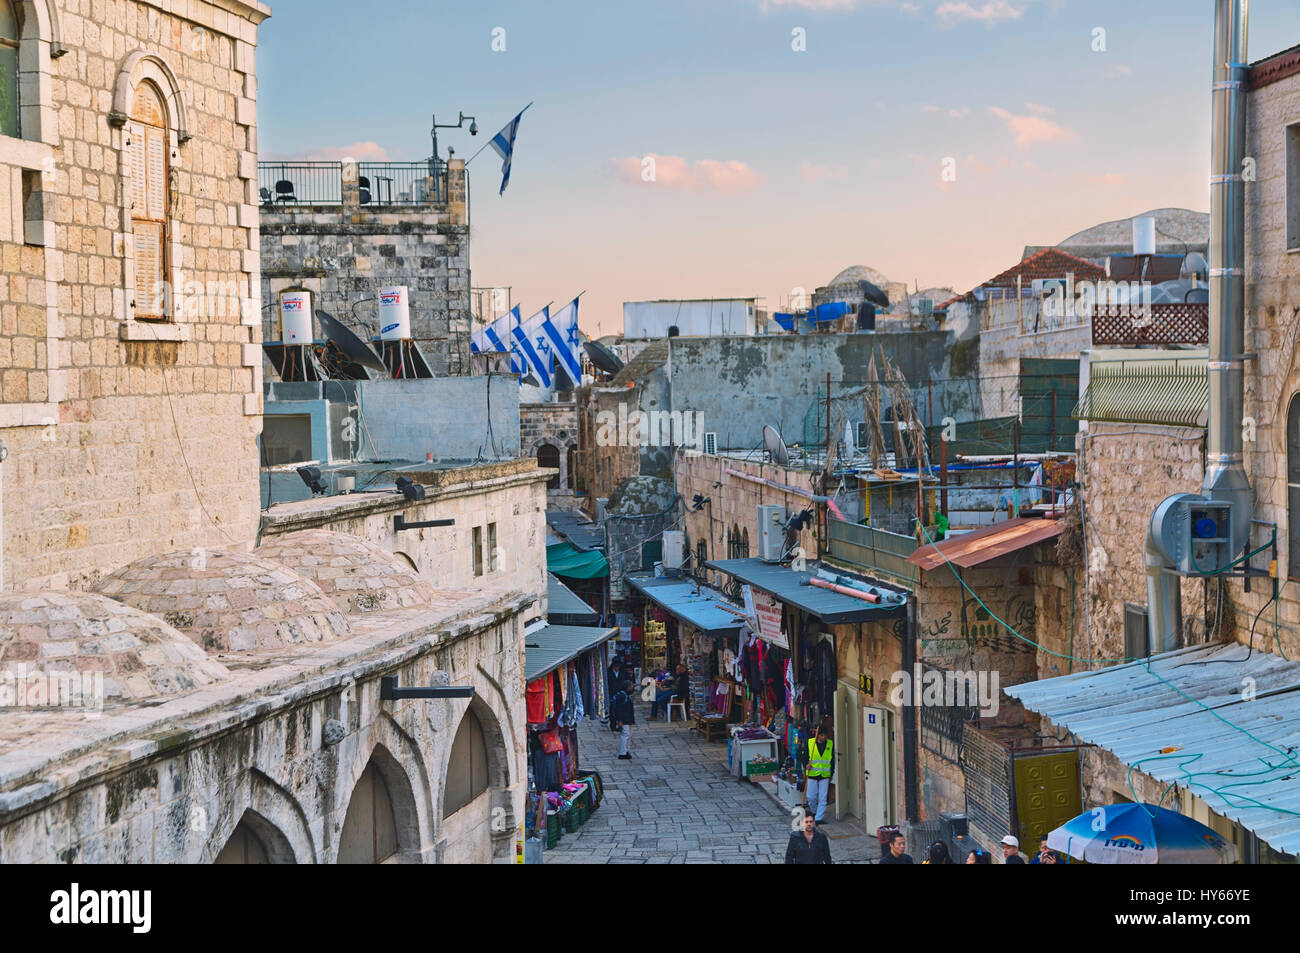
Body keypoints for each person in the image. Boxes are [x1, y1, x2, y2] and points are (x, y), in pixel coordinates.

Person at [804, 724, 833, 825]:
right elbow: (803, 756)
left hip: (824, 775)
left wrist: (831, 773)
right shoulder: (810, 743)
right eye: (821, 735)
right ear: (817, 735)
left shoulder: (830, 744)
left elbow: (832, 760)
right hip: (812, 774)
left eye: (825, 735)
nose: (823, 737)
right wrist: (806, 764)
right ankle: (815, 812)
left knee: (822, 798)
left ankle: (819, 818)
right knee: (811, 797)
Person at [611, 678, 636, 760]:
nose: (632, 687)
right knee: (625, 735)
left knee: (629, 735)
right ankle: (622, 752)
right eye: (631, 685)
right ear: (628, 687)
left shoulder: (626, 695)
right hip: (624, 719)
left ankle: (626, 750)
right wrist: (619, 721)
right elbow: (619, 710)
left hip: (628, 718)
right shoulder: (622, 696)